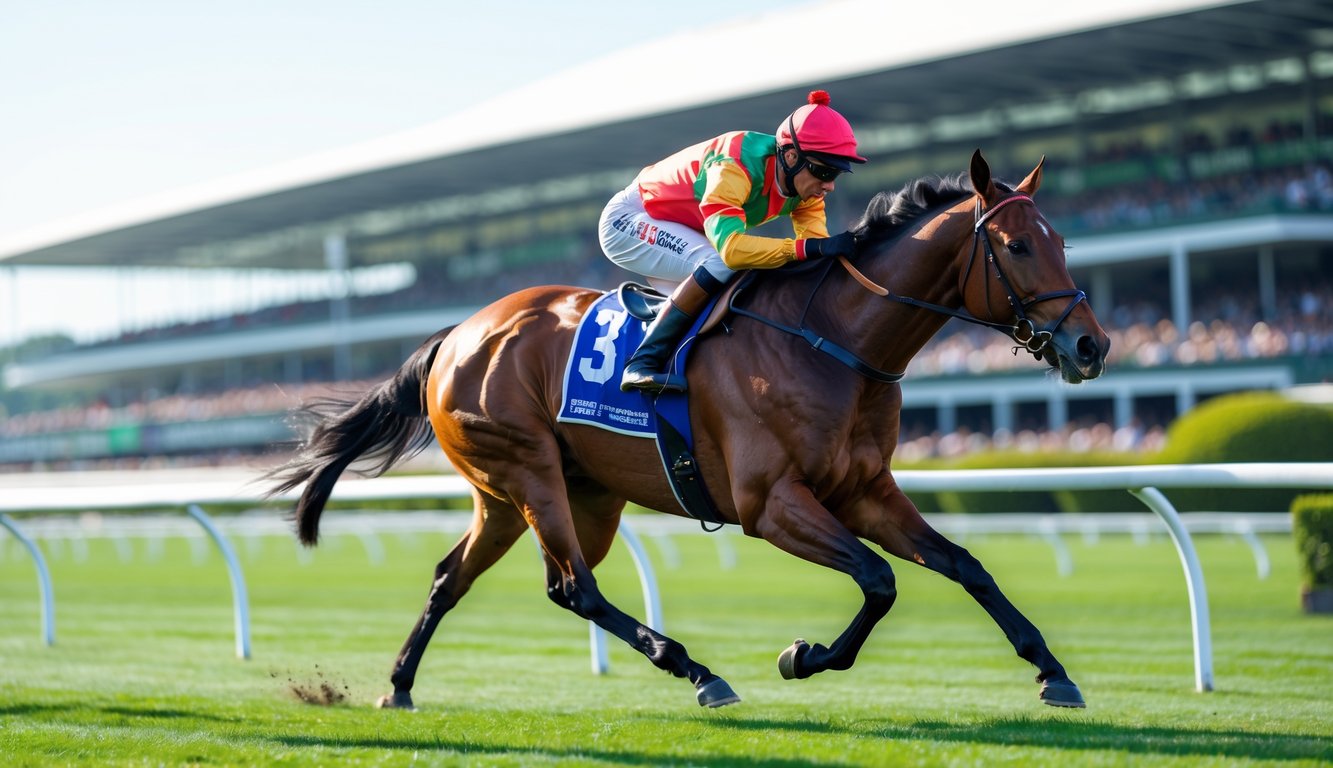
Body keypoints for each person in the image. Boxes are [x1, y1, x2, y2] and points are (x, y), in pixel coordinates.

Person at [598, 89, 867, 393]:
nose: (829, 185)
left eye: (837, 173)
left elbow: (814, 256)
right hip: (630, 219)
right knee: (719, 263)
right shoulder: (734, 164)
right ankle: (642, 362)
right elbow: (732, 250)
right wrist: (808, 249)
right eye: (824, 171)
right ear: (791, 156)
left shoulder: (805, 189)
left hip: (681, 224)